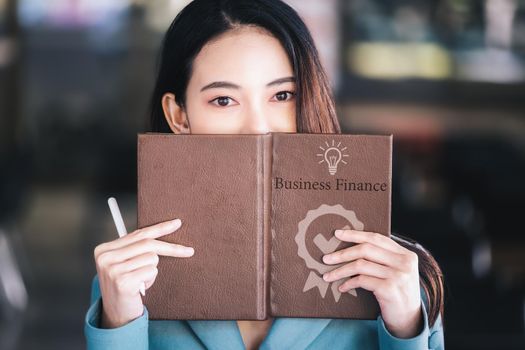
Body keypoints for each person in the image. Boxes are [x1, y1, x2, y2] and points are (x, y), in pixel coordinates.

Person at [84, 0, 445, 349]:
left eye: (283, 94)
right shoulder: (129, 279)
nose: (258, 127)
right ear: (179, 116)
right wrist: (120, 328)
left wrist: (405, 329)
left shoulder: (391, 279)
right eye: (224, 100)